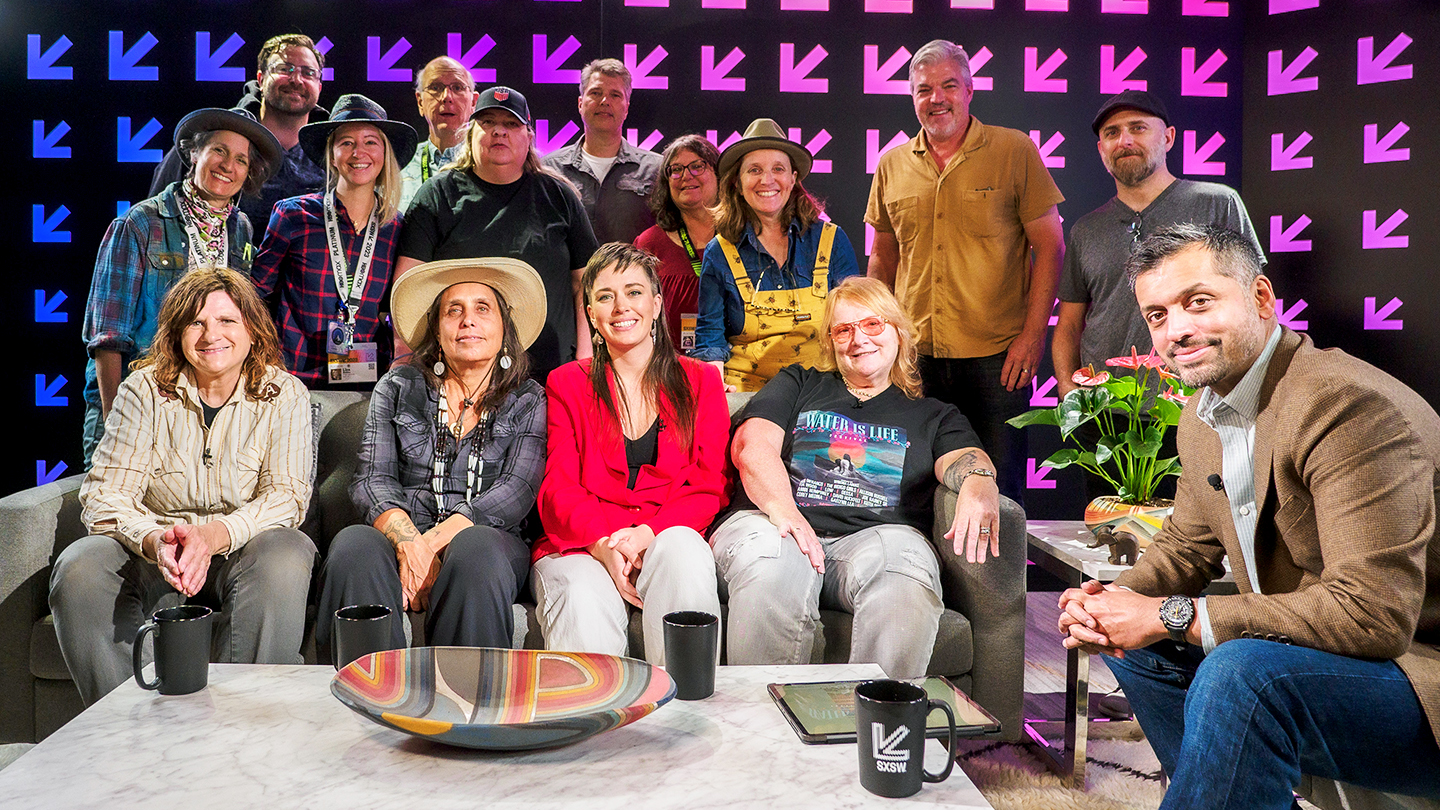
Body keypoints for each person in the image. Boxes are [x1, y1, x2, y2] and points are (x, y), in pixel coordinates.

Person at [1057, 224, 1440, 809]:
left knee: (1242, 675)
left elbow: (1374, 617)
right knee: (1137, 645)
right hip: (1327, 649)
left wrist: (1167, 613)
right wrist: (1109, 605)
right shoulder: (1203, 413)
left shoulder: (1346, 405)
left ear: (1262, 298)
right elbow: (1186, 547)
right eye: (1157, 315)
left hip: (1417, 668)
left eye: (1199, 302)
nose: (1176, 329)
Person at [712, 276, 1002, 679]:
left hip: (869, 544)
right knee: (777, 560)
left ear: (899, 332)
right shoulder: (798, 383)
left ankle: (875, 728)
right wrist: (788, 516)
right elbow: (752, 447)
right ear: (831, 341)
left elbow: (966, 458)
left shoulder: (933, 415)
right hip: (775, 524)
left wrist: (979, 483)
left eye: (872, 324)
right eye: (843, 329)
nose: (858, 338)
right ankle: (762, 727)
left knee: (905, 566)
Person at [52, 269, 315, 706]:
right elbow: (105, 494)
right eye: (196, 322)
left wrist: (213, 536)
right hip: (158, 555)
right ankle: (128, 725)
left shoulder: (283, 393)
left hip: (242, 554)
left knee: (287, 551)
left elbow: (287, 496)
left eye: (227, 320)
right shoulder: (143, 391)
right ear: (177, 333)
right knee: (79, 565)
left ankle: (248, 722)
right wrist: (155, 539)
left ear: (252, 328)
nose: (212, 333)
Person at [865, 39, 1065, 504]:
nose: (936, 98)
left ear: (970, 90)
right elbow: (883, 256)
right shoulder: (891, 164)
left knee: (999, 493)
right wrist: (878, 340)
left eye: (948, 85)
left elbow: (1051, 249)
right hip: (914, 357)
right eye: (923, 89)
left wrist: (1033, 335)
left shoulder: (1013, 150)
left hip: (998, 359)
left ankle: (996, 579)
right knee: (908, 487)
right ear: (912, 97)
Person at [316, 257, 548, 653]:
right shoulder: (399, 386)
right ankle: (364, 699)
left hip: (490, 541)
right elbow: (373, 480)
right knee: (354, 545)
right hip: (403, 530)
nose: (467, 320)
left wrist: (432, 544)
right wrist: (410, 543)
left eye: (482, 309)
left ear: (504, 329)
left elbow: (516, 490)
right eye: (453, 310)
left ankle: (470, 700)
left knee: (475, 550)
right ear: (438, 331)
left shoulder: (529, 398)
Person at [533, 243, 729, 664]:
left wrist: (648, 534)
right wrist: (605, 544)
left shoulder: (701, 381)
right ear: (590, 312)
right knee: (580, 590)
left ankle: (687, 712)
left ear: (657, 304)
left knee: (683, 551)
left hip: (667, 530)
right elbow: (558, 487)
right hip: (585, 542)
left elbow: (707, 481)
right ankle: (596, 722)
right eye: (605, 296)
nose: (621, 306)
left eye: (634, 292)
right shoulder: (566, 383)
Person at [82, 107, 281, 465]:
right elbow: (107, 337)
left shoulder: (240, 229)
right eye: (219, 151)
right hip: (139, 405)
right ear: (194, 153)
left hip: (203, 412)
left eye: (240, 159)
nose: (228, 166)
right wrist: (117, 421)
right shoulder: (141, 223)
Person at [1054, 90, 1263, 399]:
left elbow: (1254, 303)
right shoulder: (1086, 230)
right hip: (1106, 414)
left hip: (1199, 404)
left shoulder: (1218, 203)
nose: (1124, 141)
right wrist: (1068, 389)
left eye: (1138, 128)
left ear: (1168, 137)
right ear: (1101, 149)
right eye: (1112, 133)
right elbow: (1069, 326)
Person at [397, 86, 599, 383]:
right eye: (487, 122)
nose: (499, 132)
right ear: (470, 133)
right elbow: (408, 288)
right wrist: (406, 362)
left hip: (548, 373)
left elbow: (586, 282)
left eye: (511, 124)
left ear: (529, 137)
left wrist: (585, 360)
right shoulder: (437, 195)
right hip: (459, 377)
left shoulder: (559, 196)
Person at [252, 94, 417, 389]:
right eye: (346, 143)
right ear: (331, 156)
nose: (358, 152)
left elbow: (403, 309)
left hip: (366, 385)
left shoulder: (398, 228)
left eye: (370, 142)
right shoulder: (293, 215)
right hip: (292, 381)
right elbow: (254, 296)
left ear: (384, 153)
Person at [694, 118, 861, 392]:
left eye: (778, 169)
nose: (767, 180)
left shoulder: (831, 240)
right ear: (738, 182)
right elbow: (710, 337)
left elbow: (855, 325)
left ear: (793, 179)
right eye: (754, 170)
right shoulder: (719, 251)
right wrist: (715, 389)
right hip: (747, 394)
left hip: (820, 392)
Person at [149, 34, 329, 243]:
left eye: (308, 73)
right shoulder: (212, 138)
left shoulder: (333, 152)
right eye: (284, 69)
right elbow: (156, 216)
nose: (296, 80)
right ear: (260, 79)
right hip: (216, 271)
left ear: (319, 86)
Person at [541, 59, 663, 244]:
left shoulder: (656, 169)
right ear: (580, 103)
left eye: (615, 95)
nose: (605, 101)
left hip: (634, 273)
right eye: (596, 93)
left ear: (627, 108)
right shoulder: (549, 170)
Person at [634, 135, 720, 352]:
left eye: (697, 166)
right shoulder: (649, 244)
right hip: (666, 371)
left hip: (737, 372)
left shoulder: (744, 239)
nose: (686, 176)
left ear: (720, 175)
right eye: (676, 169)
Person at [399, 57, 478, 212]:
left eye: (457, 87)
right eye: (435, 87)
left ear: (473, 102)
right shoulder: (398, 165)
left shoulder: (491, 165)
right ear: (420, 102)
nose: (447, 97)